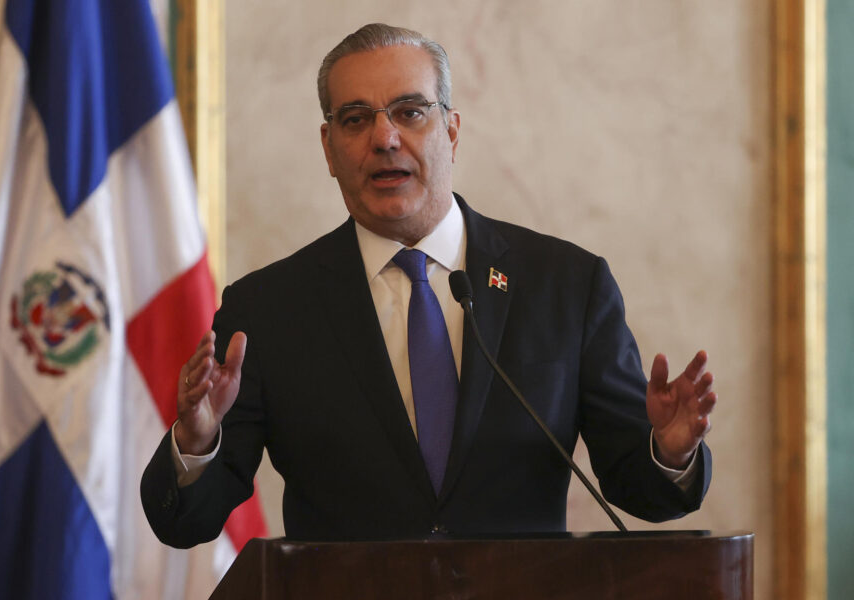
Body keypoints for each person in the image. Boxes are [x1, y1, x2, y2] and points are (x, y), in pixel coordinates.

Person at [140, 23, 716, 547]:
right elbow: (186, 522)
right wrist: (195, 444)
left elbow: (638, 488)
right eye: (356, 118)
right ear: (329, 149)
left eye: (410, 111)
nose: (385, 138)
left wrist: (669, 451)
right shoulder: (267, 310)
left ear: (452, 130)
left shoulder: (565, 285)